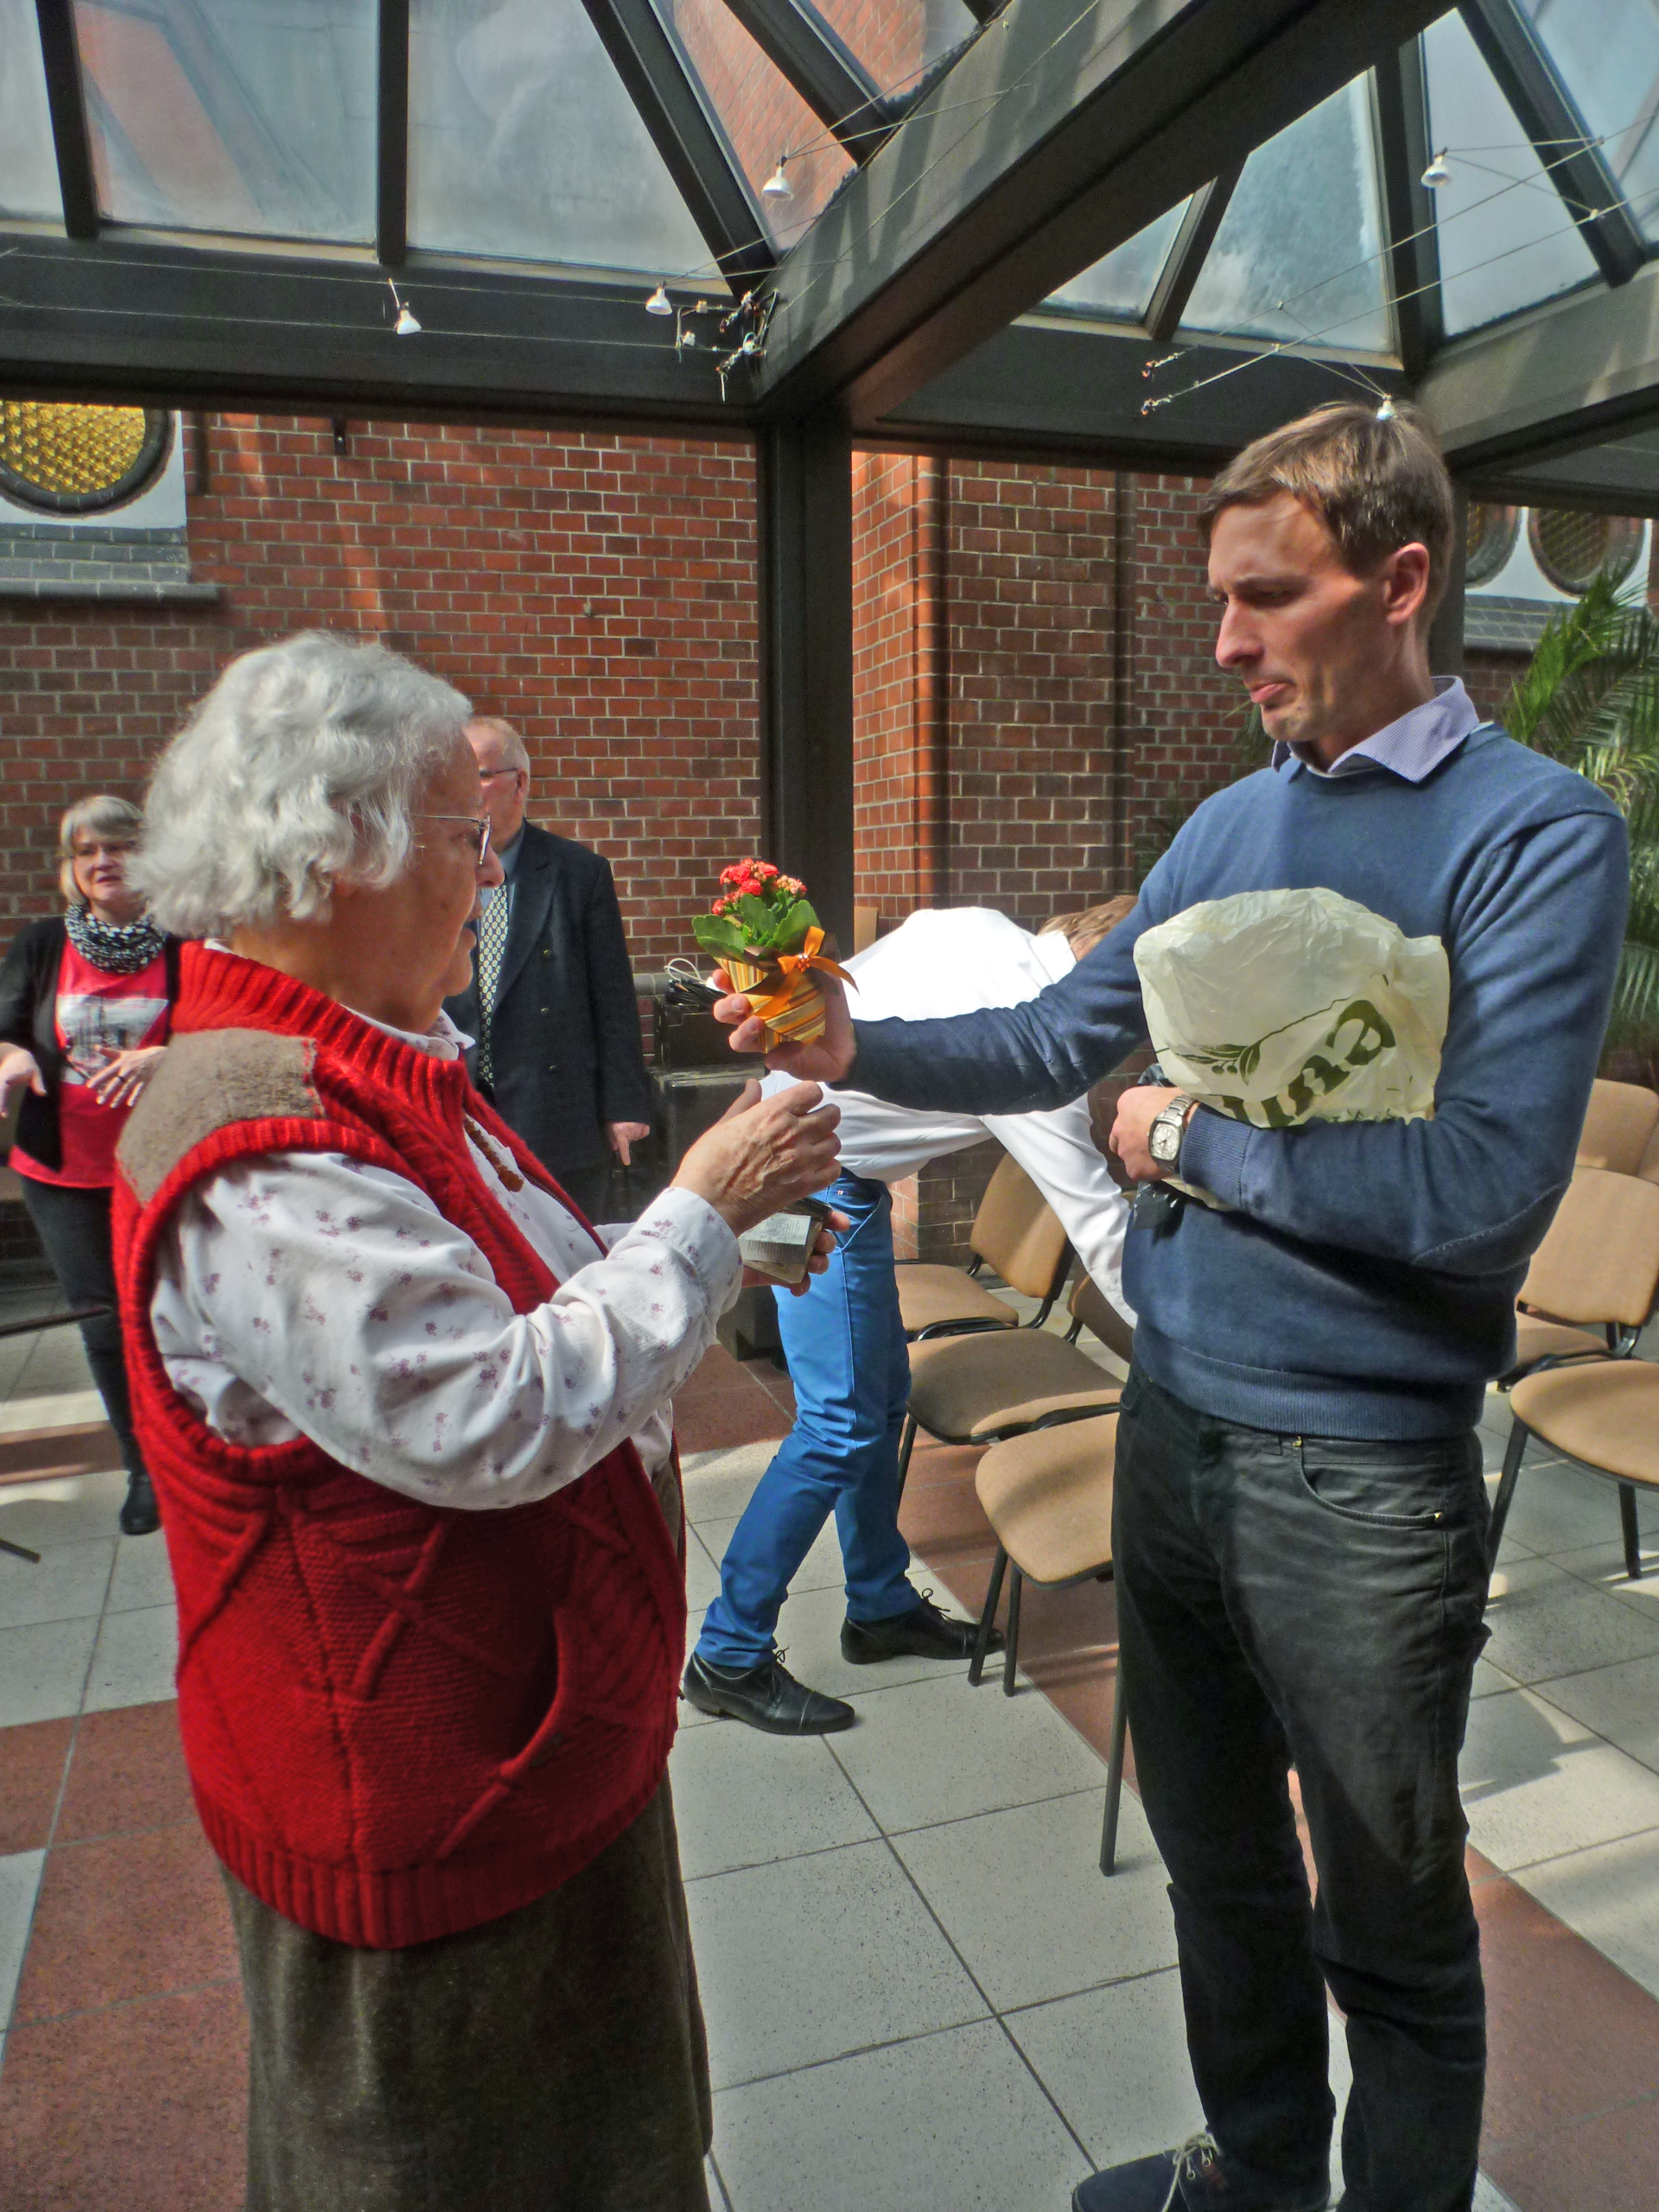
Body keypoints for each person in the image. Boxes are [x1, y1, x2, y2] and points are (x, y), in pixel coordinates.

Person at [717, 404, 1630, 2212]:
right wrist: (855, 1041)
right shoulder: (1223, 826)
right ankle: (1263, 2170)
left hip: (1362, 1474)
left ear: (1403, 580)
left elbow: (1478, 1195)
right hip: (1177, 1426)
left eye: (1264, 597)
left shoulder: (1537, 837)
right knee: (1219, 1866)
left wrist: (1191, 1139)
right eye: (1216, 600)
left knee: (1388, 1915)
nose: (1224, 641)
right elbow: (1063, 1038)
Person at [113, 632, 842, 2212]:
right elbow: (491, 1413)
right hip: (425, 1832)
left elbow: (564, 1297)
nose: (490, 869)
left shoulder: (382, 1067)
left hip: (526, 1775)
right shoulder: (252, 1130)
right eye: (464, 835)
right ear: (333, 856)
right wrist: (709, 1210)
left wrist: (750, 1221)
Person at [685, 899, 1138, 1733]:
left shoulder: (975, 924)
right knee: (836, 1425)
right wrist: (1196, 1338)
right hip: (810, 1177)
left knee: (878, 1401)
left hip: (814, 1158)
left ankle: (879, 1604)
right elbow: (1106, 1240)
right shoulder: (1040, 1065)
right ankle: (728, 1652)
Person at [0, 795, 179, 1536]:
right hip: (66, 1177)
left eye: (118, 845)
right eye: (86, 851)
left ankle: (192, 1450)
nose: (102, 861)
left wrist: (167, 1055)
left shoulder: (187, 942)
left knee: (178, 1316)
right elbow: (6, 1031)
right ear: (72, 869)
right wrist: (10, 1062)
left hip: (168, 1168)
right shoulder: (42, 944)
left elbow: (230, 1036)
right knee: (105, 1326)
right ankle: (142, 1466)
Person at [443, 714, 652, 1221]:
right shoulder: (440, 870)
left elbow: (613, 998)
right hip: (463, 1108)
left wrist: (624, 1105)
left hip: (556, 1112)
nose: (465, 791)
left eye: (480, 775)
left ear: (520, 784)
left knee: (570, 1262)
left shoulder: (577, 873)